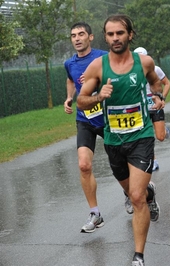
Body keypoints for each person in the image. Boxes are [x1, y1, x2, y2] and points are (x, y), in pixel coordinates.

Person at [77, 14, 163, 266]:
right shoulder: (97, 67)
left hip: (141, 136)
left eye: (120, 33)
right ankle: (150, 192)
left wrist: (157, 96)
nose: (115, 38)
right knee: (133, 192)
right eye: (111, 34)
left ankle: (138, 256)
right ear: (106, 37)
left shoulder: (144, 62)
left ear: (130, 35)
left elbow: (156, 83)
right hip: (114, 140)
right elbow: (82, 100)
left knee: (135, 197)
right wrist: (98, 96)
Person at [63, 22, 108, 233]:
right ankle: (95, 213)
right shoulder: (69, 63)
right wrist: (69, 98)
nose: (77, 38)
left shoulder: (104, 57)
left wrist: (96, 83)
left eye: (81, 34)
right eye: (73, 35)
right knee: (83, 165)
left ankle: (138, 192)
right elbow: (71, 80)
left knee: (122, 166)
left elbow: (118, 78)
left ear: (90, 37)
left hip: (109, 118)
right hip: (85, 119)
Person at [133, 46, 170, 171]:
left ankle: (164, 130)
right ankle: (153, 160)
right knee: (147, 137)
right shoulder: (131, 71)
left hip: (155, 106)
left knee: (160, 137)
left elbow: (167, 83)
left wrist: (162, 98)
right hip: (142, 108)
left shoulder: (156, 69)